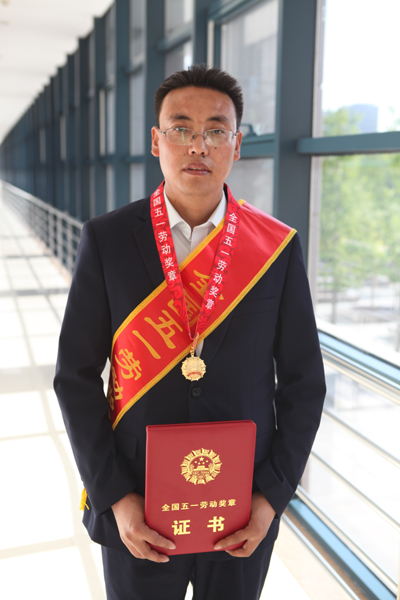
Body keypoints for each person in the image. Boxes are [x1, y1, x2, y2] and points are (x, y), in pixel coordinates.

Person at [54, 65, 326, 600]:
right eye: (181, 128)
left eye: (215, 130)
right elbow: (75, 377)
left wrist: (270, 497)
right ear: (157, 141)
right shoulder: (107, 240)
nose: (198, 145)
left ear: (237, 145)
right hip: (137, 504)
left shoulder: (275, 248)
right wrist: (115, 496)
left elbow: (304, 382)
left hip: (241, 508)